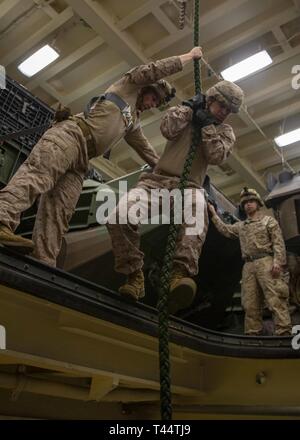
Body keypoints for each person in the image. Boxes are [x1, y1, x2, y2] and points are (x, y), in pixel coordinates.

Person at [0, 47, 203, 266]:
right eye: (154, 97)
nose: (153, 104)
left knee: (60, 209)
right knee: (36, 177)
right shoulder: (128, 86)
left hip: (81, 161)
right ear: (146, 88)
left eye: (157, 103)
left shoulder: (132, 121)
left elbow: (148, 152)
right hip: (70, 137)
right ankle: (2, 220)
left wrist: (177, 175)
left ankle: (44, 260)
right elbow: (154, 70)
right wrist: (189, 57)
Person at [106, 79, 244, 314]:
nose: (225, 114)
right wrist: (189, 110)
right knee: (118, 216)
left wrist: (207, 126)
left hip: (190, 187)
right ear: (210, 100)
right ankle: (133, 275)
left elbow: (216, 155)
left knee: (198, 214)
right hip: (157, 181)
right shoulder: (186, 113)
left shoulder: (225, 131)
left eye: (229, 111)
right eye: (222, 107)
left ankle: (179, 275)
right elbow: (167, 129)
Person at [208, 187, 292, 336]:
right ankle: (253, 333)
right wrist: (214, 214)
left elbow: (278, 243)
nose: (248, 204)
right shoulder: (241, 226)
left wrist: (278, 262)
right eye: (245, 202)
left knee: (275, 299)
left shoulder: (268, 221)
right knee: (249, 303)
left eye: (251, 201)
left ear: (258, 203)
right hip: (248, 265)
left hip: (266, 261)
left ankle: (284, 332)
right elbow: (225, 230)